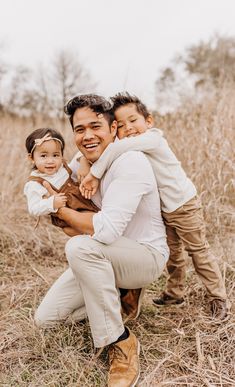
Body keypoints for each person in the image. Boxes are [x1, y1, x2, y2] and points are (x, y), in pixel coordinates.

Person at [34, 94, 169, 387]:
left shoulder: (130, 162)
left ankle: (119, 341)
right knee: (46, 319)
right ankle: (120, 295)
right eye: (79, 129)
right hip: (104, 253)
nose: (87, 135)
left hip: (144, 256)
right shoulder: (80, 162)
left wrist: (60, 209)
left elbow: (102, 231)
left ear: (113, 129)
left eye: (95, 126)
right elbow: (70, 221)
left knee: (79, 247)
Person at [80, 92, 228, 321]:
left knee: (198, 251)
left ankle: (218, 298)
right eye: (121, 125)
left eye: (133, 120)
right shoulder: (128, 148)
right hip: (164, 209)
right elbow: (106, 149)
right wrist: (82, 160)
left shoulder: (153, 138)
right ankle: (174, 293)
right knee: (174, 254)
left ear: (148, 121)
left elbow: (114, 149)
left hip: (184, 205)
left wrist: (94, 174)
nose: (128, 128)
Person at [24, 128, 98, 235]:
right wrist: (52, 203)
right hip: (68, 214)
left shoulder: (62, 167)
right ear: (31, 158)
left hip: (82, 203)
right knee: (75, 230)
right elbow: (33, 208)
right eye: (43, 156)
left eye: (55, 155)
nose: (50, 161)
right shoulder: (34, 183)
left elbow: (80, 157)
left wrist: (83, 161)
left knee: (96, 223)